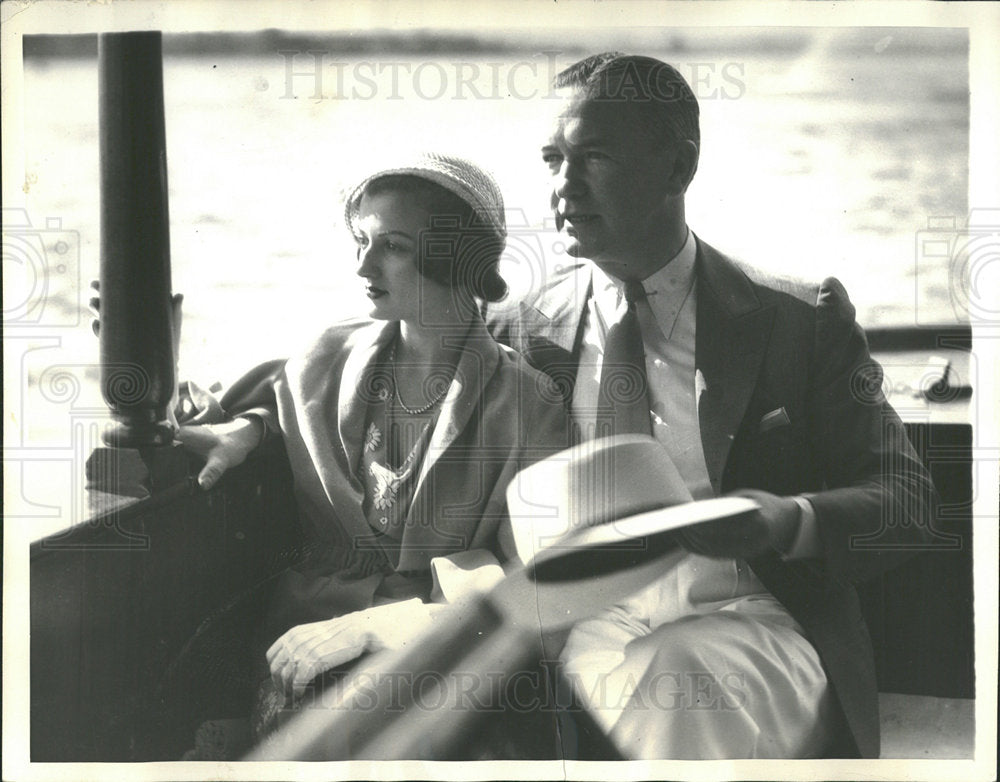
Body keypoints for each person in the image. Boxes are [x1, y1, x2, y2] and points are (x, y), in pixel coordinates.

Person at [485, 53, 937, 759]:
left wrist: (785, 519)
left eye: (593, 157)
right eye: (551, 160)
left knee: (674, 677)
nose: (562, 188)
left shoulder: (800, 321)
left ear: (678, 168)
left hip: (756, 617)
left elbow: (907, 503)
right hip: (588, 630)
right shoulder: (520, 329)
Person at [168, 153, 570, 752]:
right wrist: (237, 421)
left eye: (394, 246)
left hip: (446, 653)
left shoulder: (531, 405)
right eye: (361, 240)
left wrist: (378, 627)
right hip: (296, 649)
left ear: (459, 258)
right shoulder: (322, 359)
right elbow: (239, 411)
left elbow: (533, 586)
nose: (363, 264)